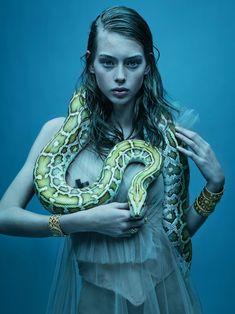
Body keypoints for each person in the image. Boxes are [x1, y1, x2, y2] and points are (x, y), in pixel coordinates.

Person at [0, 6, 225, 314]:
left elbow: (174, 234)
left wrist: (214, 186)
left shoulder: (165, 138)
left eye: (132, 63)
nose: (120, 76)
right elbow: (4, 216)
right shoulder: (56, 133)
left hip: (170, 296)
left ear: (148, 65)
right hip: (99, 300)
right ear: (90, 63)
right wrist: (82, 221)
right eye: (107, 62)